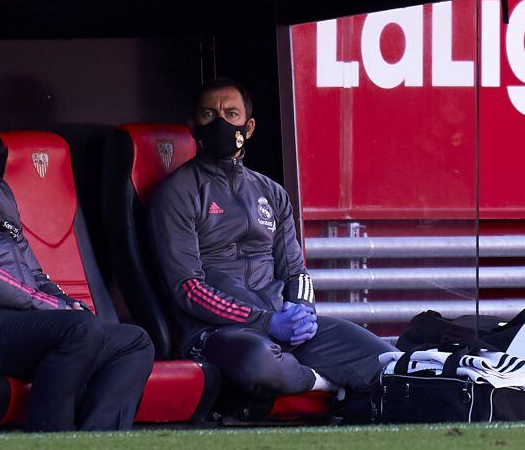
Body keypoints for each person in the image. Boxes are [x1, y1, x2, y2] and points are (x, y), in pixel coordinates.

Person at [149, 78, 394, 404]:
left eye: (231, 113)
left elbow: (296, 271)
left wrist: (302, 313)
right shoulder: (177, 193)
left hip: (283, 320)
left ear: (248, 127)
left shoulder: (271, 193)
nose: (220, 121)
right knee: (258, 361)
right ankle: (321, 381)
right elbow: (187, 288)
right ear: (193, 126)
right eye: (209, 114)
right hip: (222, 332)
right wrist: (266, 322)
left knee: (387, 359)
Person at [0, 94, 154, 432]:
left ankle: (98, 440)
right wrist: (46, 306)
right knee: (79, 329)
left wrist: (66, 303)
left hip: (17, 323)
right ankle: (51, 438)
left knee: (133, 342)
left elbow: (31, 267)